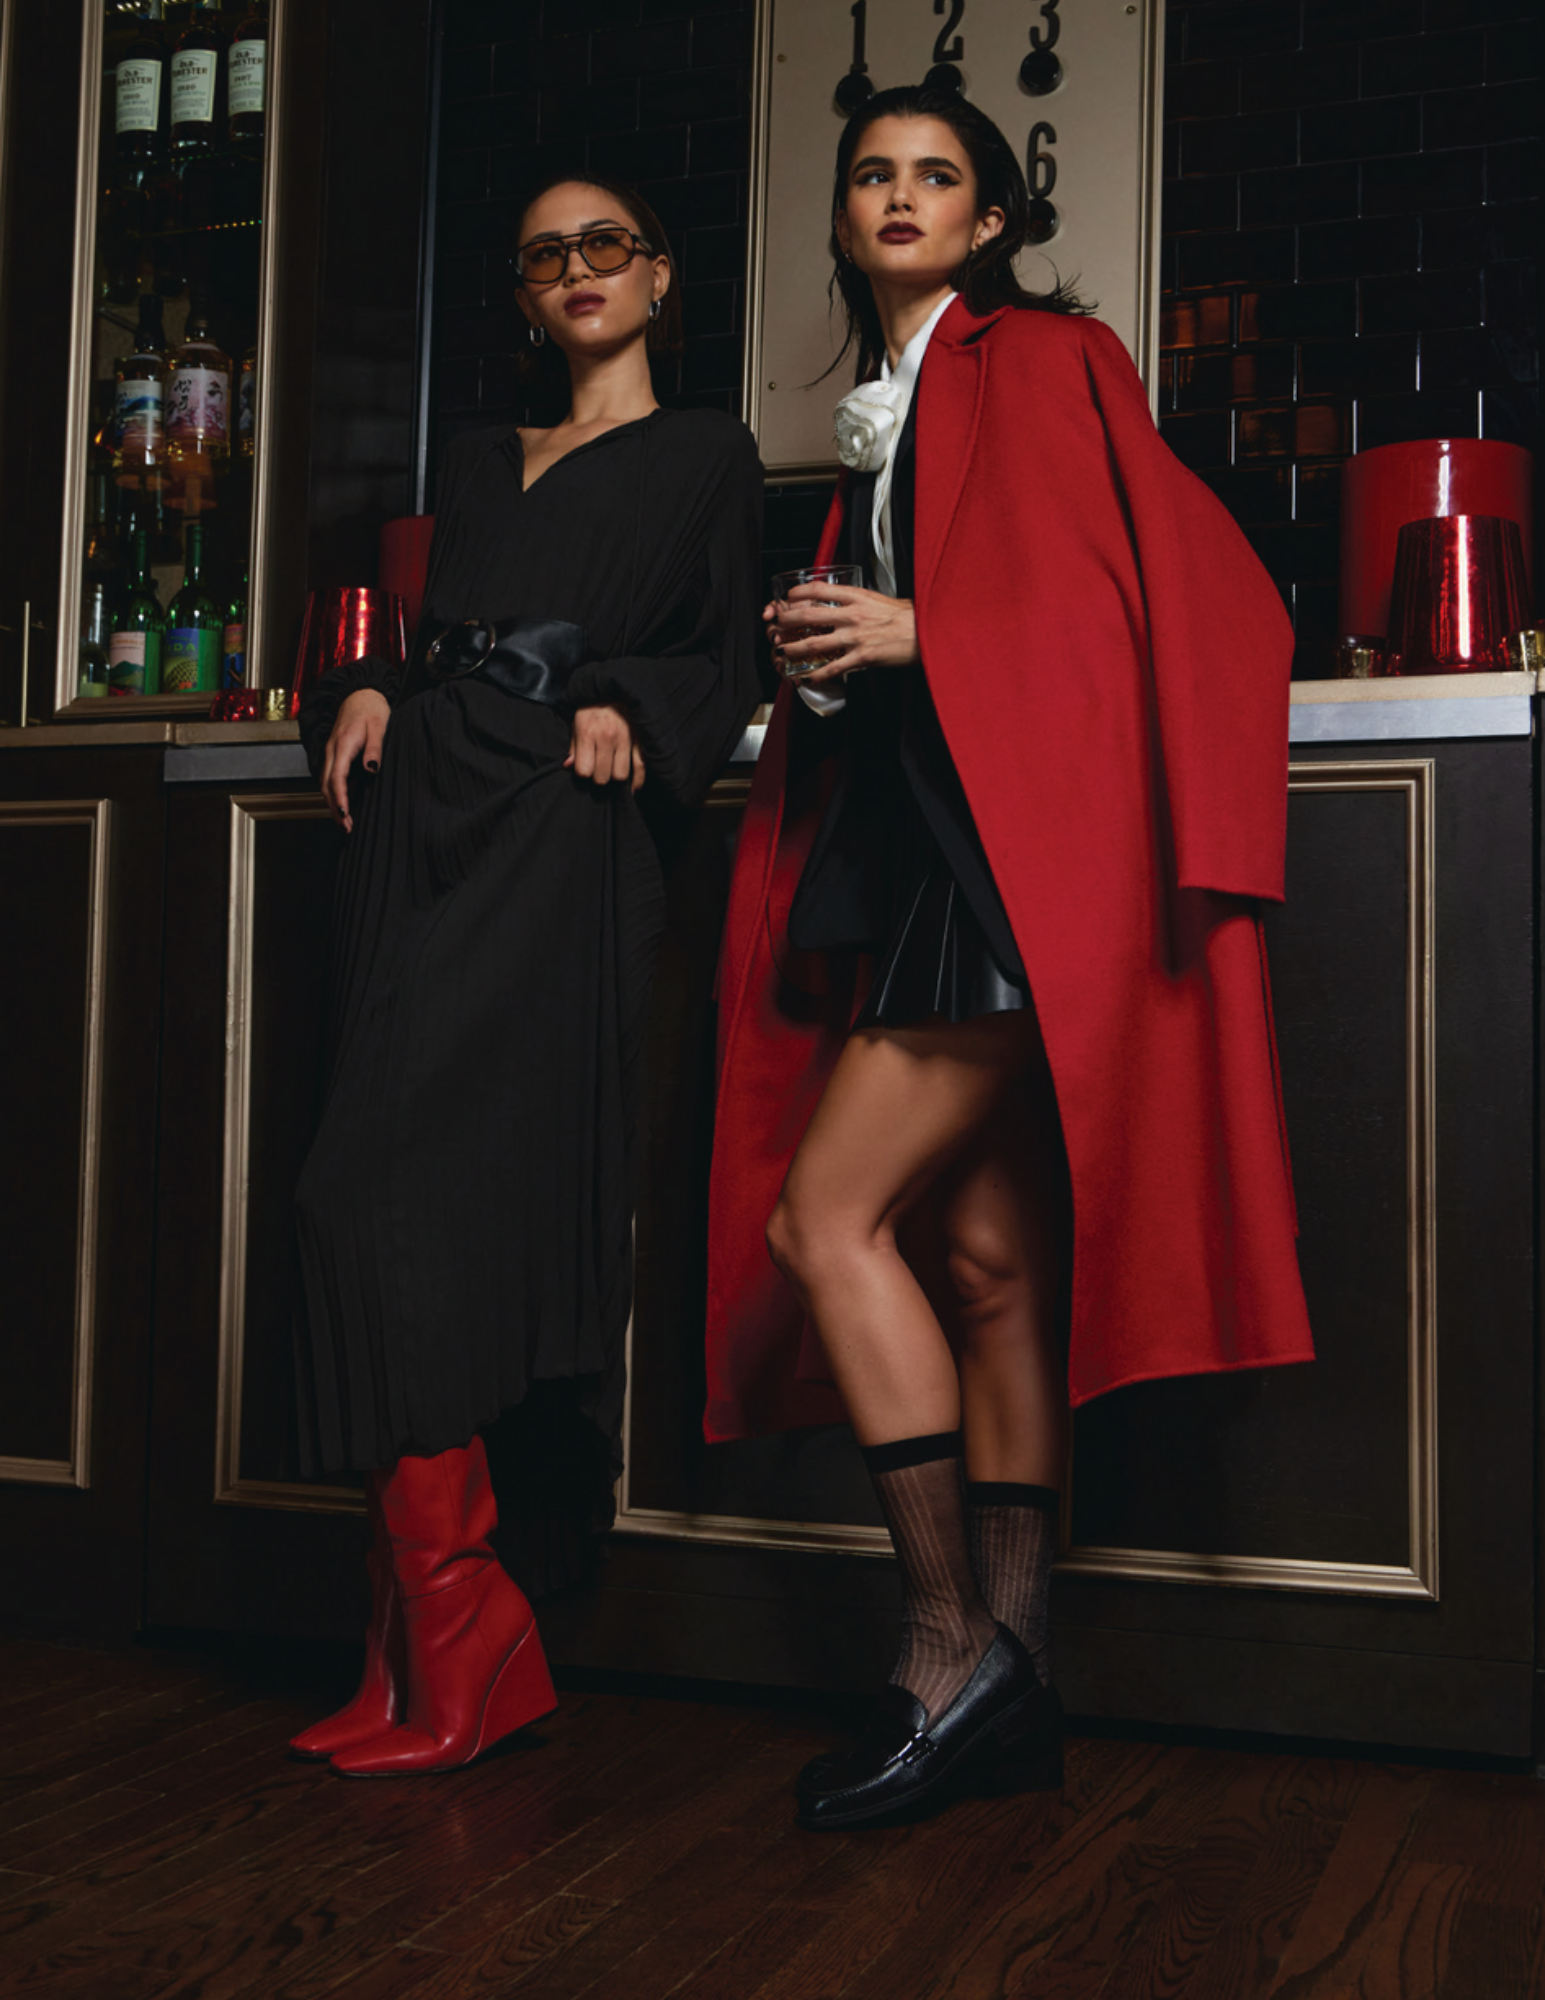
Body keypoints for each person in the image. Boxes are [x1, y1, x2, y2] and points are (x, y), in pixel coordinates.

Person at [706, 85, 1313, 1830]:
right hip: (922, 853)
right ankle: (1024, 1680)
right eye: (872, 175)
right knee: (985, 1266)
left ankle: (946, 1649)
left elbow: (1165, 600)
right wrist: (841, 655)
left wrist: (920, 628)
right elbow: (969, 621)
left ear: (989, 222)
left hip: (1000, 868)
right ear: (844, 219)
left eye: (938, 177)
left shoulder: (1043, 358)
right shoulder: (887, 410)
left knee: (824, 1223)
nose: (900, 197)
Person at [290, 173, 763, 1777]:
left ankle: (465, 1625)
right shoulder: (480, 459)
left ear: (660, 275)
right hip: (422, 821)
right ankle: (418, 1636)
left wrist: (622, 693)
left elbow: (721, 656)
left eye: (606, 245)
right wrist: (366, 681)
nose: (578, 270)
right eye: (546, 255)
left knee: (411, 1204)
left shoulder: (707, 452)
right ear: (523, 294)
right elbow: (439, 632)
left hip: (557, 837)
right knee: (352, 1199)